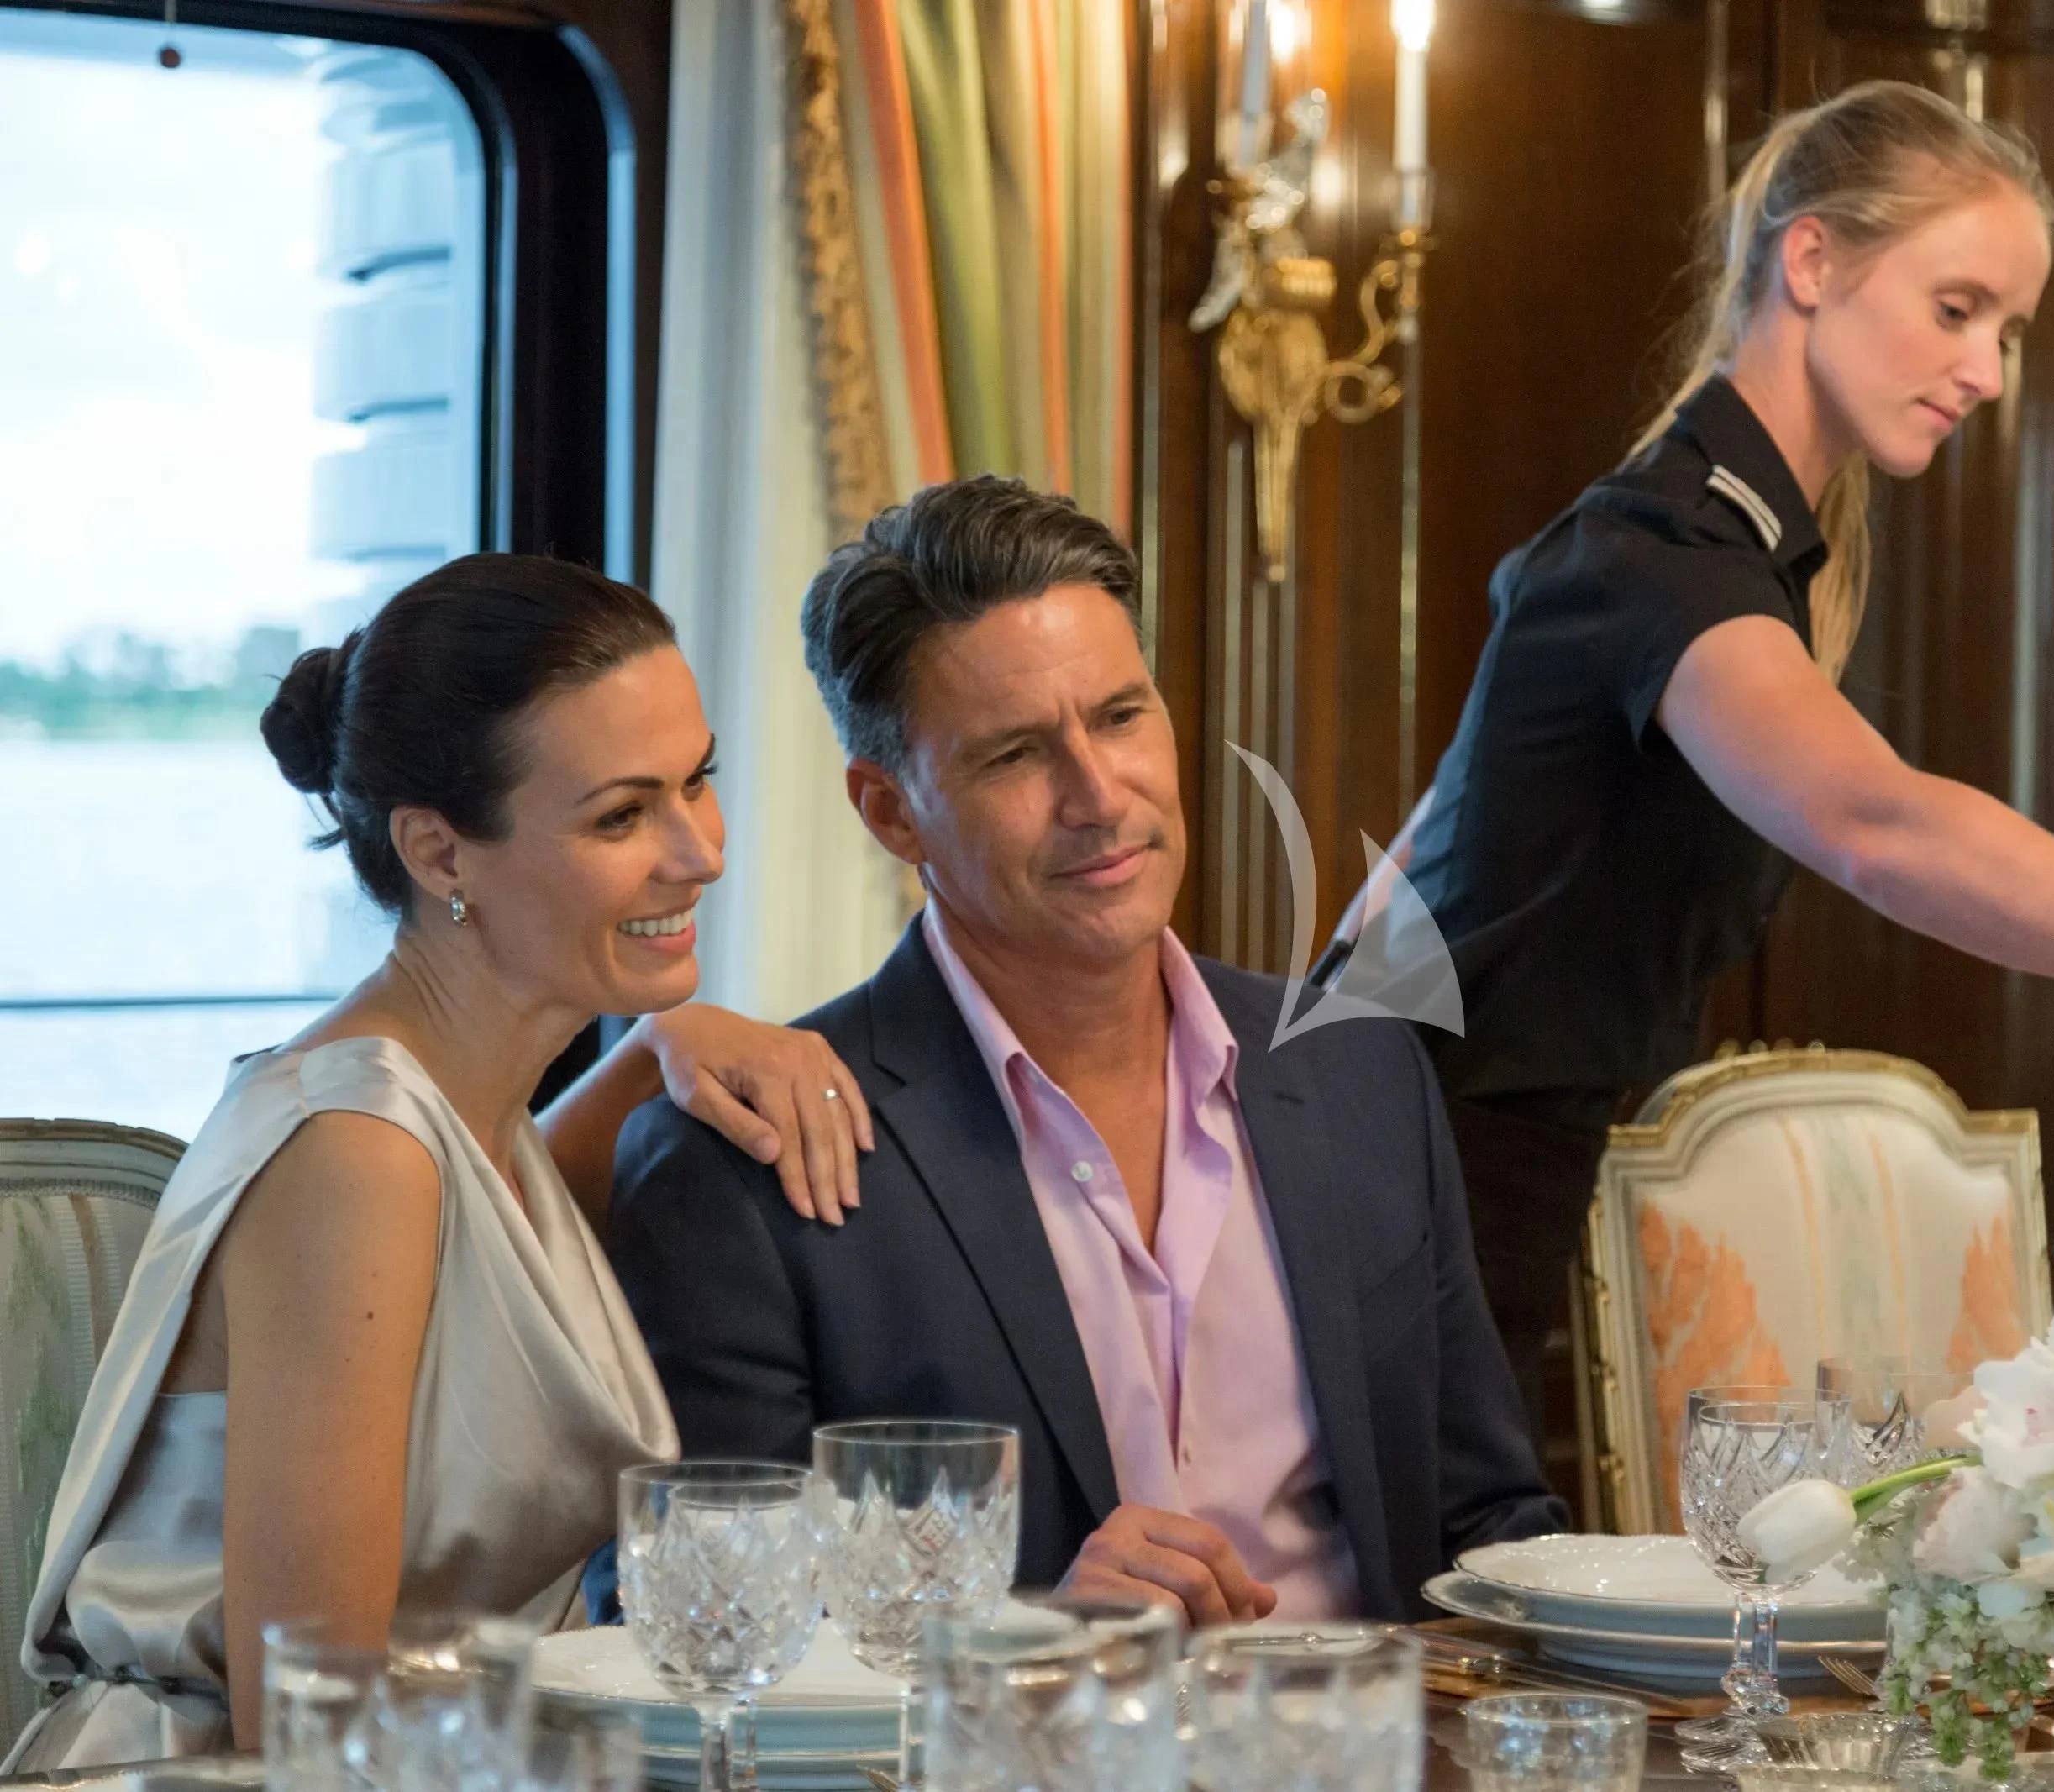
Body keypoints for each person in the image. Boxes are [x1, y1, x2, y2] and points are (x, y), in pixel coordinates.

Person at [1337, 81, 2054, 1427]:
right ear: (1812, 261)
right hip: (1408, 1172)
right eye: (1956, 308)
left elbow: (1427, 846)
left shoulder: (1729, 552)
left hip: (1466, 1161)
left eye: (2009, 330)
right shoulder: (1658, 553)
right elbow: (1882, 827)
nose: (1988, 370)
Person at [609, 476, 1564, 1626]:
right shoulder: (746, 1159)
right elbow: (700, 1636)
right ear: (891, 813)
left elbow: (1487, 1525)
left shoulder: (1360, 1071)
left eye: (1121, 717)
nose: (1098, 795)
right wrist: (1022, 1633)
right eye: (1015, 755)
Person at [9, 557, 869, 1769]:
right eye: (622, 815)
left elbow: (498, 1285)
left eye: (698, 783)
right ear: (440, 854)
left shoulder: (470, 1113)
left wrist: (656, 1049)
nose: (699, 853)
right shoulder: (352, 1157)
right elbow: (312, 1725)